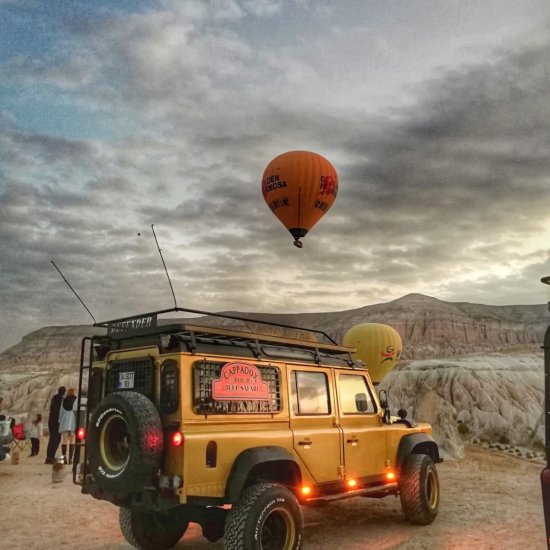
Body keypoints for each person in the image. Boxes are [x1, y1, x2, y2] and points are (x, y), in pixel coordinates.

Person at [45, 386, 66, 465]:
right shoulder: (61, 400)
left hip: (51, 421)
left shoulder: (54, 398)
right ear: (64, 392)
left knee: (52, 439)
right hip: (57, 422)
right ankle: (51, 457)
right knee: (56, 440)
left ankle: (49, 458)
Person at [58, 388, 77, 464]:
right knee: (72, 440)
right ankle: (71, 459)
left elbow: (61, 411)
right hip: (73, 421)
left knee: (64, 441)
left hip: (65, 421)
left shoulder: (64, 400)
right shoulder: (76, 400)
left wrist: (59, 420)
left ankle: (64, 458)